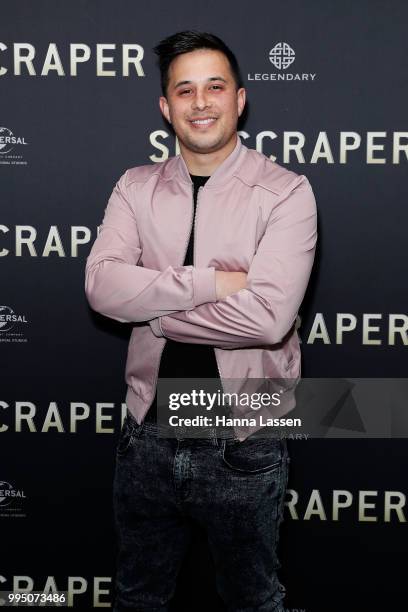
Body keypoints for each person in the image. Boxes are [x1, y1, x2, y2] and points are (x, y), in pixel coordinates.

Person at [85, 30, 317, 612]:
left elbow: (267, 318)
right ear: (166, 108)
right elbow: (101, 287)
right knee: (137, 596)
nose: (200, 102)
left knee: (254, 599)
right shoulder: (134, 187)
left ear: (240, 99)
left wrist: (158, 314)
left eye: (214, 87)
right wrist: (210, 282)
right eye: (183, 90)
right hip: (147, 431)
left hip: (245, 435)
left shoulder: (286, 192)